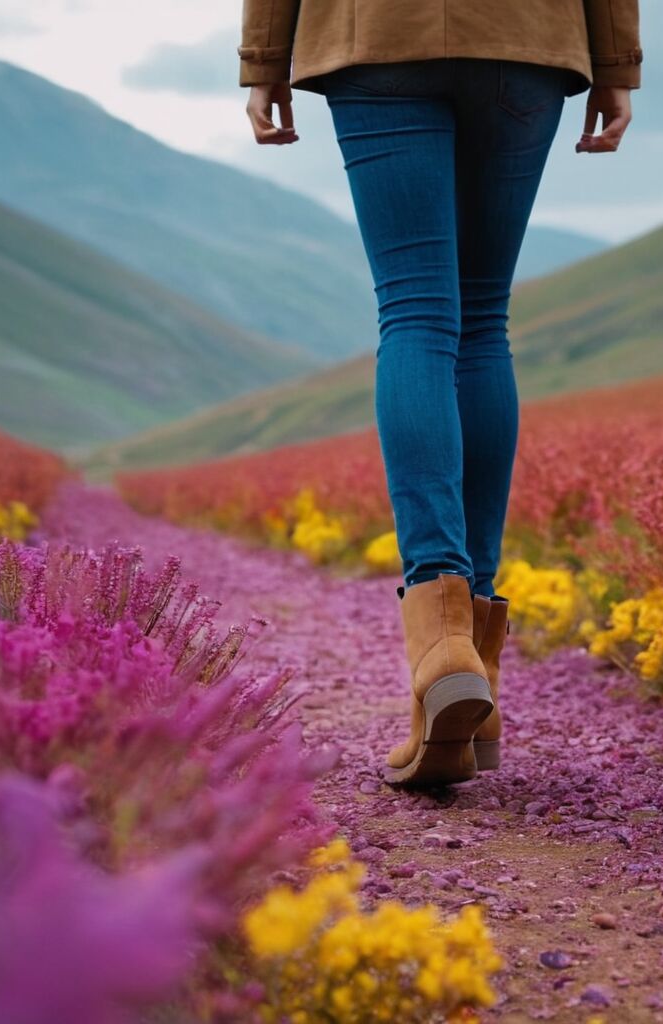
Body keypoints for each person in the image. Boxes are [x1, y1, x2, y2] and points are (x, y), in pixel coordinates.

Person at [238, 1, 642, 788]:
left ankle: (441, 640)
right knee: (482, 319)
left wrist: (262, 59)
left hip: (377, 35)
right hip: (527, 35)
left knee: (418, 310)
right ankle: (468, 675)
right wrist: (616, 61)